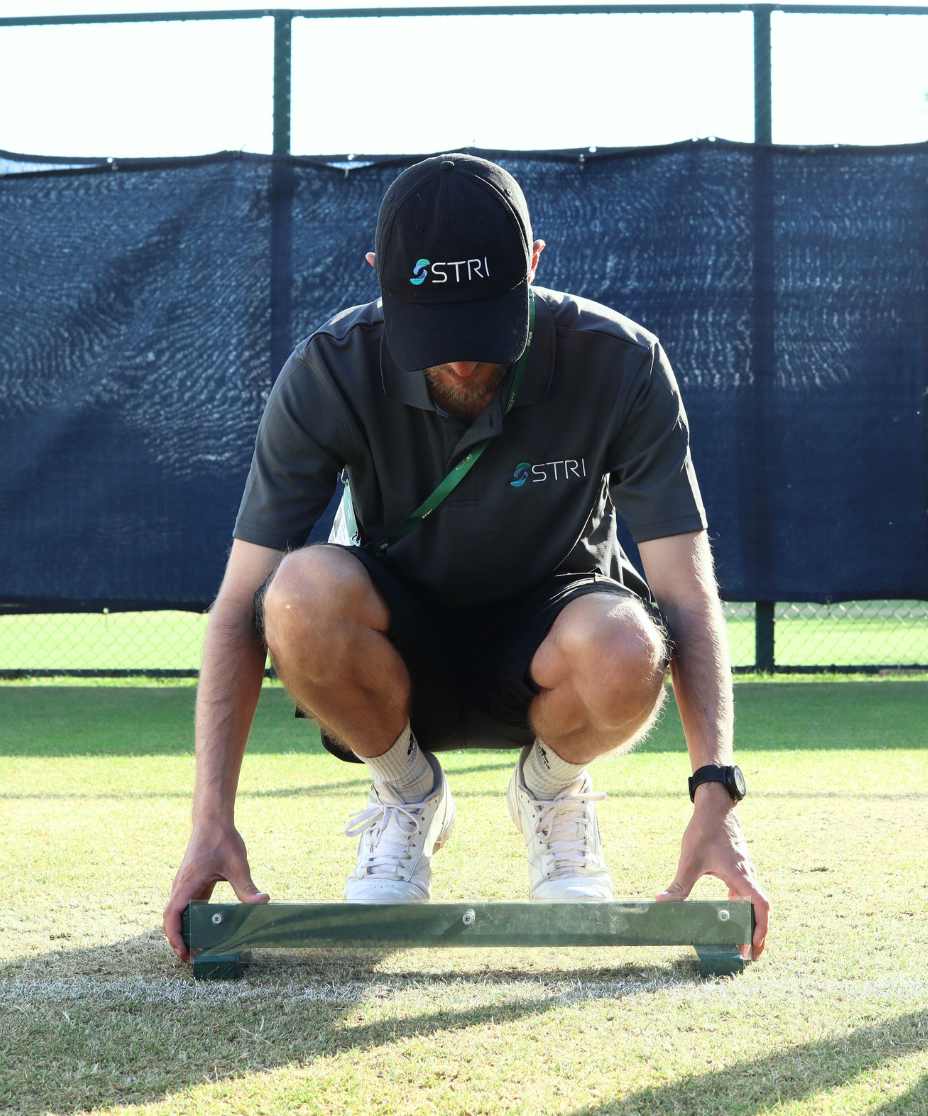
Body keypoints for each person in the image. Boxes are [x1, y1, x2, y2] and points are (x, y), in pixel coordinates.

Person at [163, 153, 769, 962]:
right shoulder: (329, 369)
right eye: (435, 327)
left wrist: (716, 797)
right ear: (380, 277)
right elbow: (239, 604)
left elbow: (685, 590)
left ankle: (551, 792)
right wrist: (210, 821)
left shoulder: (620, 361)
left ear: (534, 264)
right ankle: (407, 793)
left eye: (484, 321)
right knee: (296, 592)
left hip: (557, 641)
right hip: (394, 654)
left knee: (631, 642)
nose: (462, 360)